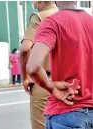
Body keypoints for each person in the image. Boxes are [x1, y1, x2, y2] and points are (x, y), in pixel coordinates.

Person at [26, 1, 93, 129]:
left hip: (66, 112)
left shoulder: (52, 22)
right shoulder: (92, 22)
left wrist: (52, 87)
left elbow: (33, 67)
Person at [20, 1, 58, 129]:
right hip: (71, 82)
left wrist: (25, 77)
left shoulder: (40, 17)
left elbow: (26, 49)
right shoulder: (68, 17)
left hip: (43, 82)